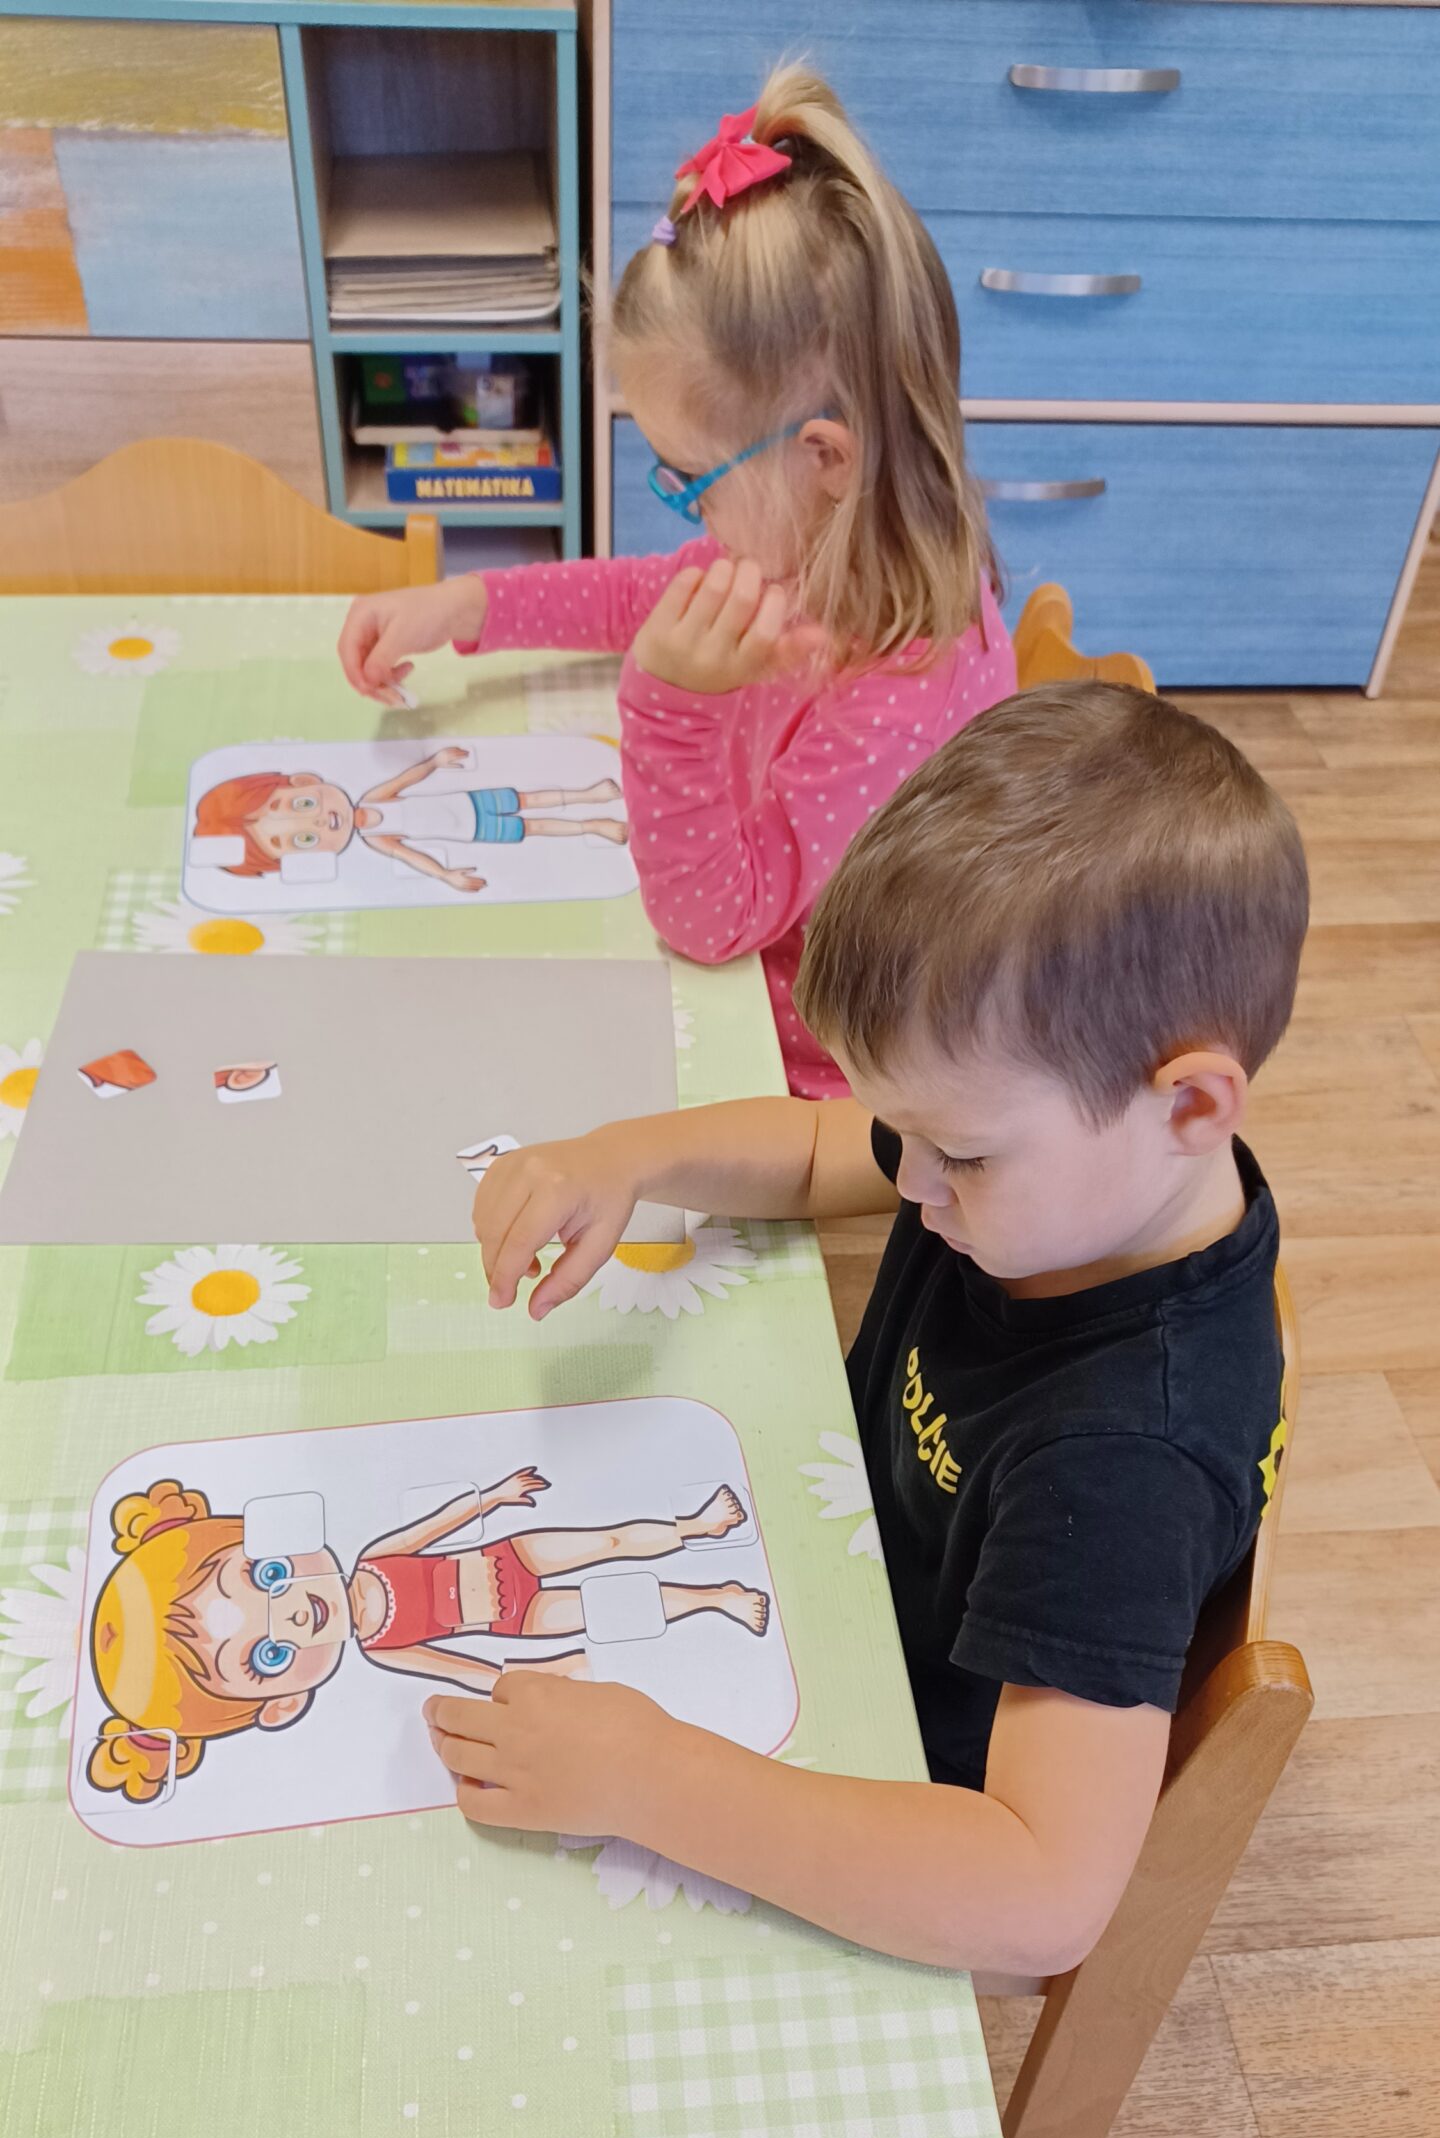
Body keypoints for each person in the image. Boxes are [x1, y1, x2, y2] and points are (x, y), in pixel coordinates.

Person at [446, 684, 1309, 1977]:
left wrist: (647, 1778)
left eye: (957, 1152)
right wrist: (621, 1155)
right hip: (831, 1550)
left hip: (889, 1774)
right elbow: (812, 1151)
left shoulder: (1124, 1461)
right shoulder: (1081, 1164)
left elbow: (1040, 1894)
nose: (907, 1181)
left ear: (1191, 1107)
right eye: (901, 1130)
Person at [337, 68, 1013, 1095]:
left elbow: (713, 923)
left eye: (690, 478)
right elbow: (647, 595)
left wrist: (668, 707)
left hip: (810, 1079)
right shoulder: (814, 547)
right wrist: (471, 604)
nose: (687, 511)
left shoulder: (904, 689)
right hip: (731, 982)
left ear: (825, 457)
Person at [86, 1470, 763, 1804]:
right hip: (514, 1620)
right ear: (284, 1702)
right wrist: (541, 1674)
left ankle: (698, 1526)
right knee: (613, 1610)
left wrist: (493, 1495)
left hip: (508, 1557)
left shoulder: (375, 1557)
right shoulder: (382, 1647)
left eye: (266, 1575)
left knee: (606, 1542)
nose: (291, 1614)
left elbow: (436, 1527)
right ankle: (720, 1599)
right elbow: (458, 1669)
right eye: (269, 1656)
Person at [192, 751, 627, 898]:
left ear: (306, 781)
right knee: (533, 828)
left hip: (468, 801)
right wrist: (447, 876)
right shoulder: (377, 840)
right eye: (305, 837)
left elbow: (407, 778)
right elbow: (412, 856)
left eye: (303, 804)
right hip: (470, 831)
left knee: (529, 800)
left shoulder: (374, 798)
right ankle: (594, 825)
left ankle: (588, 795)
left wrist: (435, 761)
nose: (321, 819)